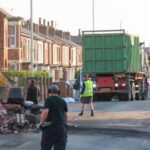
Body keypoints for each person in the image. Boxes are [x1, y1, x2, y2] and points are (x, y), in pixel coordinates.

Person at [40, 85, 68, 150]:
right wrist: (64, 124)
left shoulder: (48, 99)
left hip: (49, 126)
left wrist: (42, 123)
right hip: (61, 128)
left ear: (49, 91)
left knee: (45, 146)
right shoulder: (63, 101)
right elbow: (65, 115)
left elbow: (45, 112)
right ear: (58, 92)